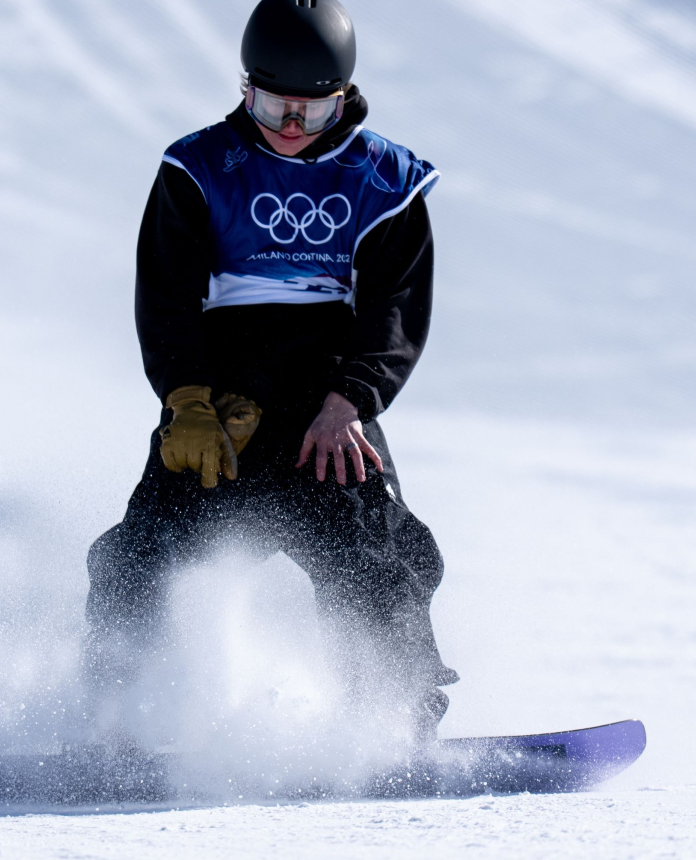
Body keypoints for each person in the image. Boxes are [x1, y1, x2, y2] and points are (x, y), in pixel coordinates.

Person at [84, 0, 457, 744]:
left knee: (378, 554)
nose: (289, 124)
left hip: (327, 417)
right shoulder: (197, 169)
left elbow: (395, 310)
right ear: (245, 86)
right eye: (269, 103)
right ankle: (113, 726)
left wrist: (352, 400)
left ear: (343, 97)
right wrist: (185, 398)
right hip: (220, 414)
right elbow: (165, 294)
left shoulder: (386, 182)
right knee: (139, 556)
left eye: (310, 109)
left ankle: (394, 725)